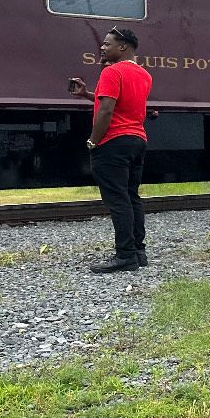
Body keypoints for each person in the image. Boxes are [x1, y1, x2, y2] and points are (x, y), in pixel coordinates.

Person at [69, 27, 154, 273]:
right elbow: (118, 102)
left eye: (107, 44)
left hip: (113, 141)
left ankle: (125, 256)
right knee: (131, 196)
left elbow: (107, 110)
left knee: (118, 200)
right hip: (137, 139)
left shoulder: (111, 71)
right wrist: (87, 94)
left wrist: (93, 141)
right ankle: (139, 251)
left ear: (123, 46)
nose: (102, 48)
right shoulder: (144, 75)